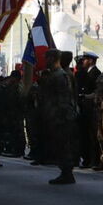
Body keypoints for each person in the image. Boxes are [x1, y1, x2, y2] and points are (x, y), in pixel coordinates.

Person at [40, 49, 78, 184]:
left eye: (47, 58)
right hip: (56, 115)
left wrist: (58, 116)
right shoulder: (54, 75)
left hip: (61, 116)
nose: (45, 61)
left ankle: (67, 172)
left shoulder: (60, 75)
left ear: (53, 59)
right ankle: (65, 171)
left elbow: (63, 99)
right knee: (59, 145)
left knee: (63, 145)